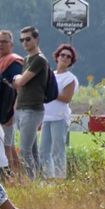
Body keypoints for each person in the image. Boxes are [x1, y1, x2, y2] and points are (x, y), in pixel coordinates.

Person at [11, 26, 52, 175]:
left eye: (28, 39)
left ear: (36, 39)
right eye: (22, 40)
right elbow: (21, 86)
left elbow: (21, 81)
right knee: (32, 150)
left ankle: (30, 181)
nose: (25, 42)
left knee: (24, 150)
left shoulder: (40, 59)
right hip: (22, 108)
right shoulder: (27, 59)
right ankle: (38, 180)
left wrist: (16, 78)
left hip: (32, 109)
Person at [40, 43, 79, 179]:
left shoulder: (70, 78)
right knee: (43, 150)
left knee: (58, 150)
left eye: (69, 56)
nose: (65, 58)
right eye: (63, 55)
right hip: (46, 117)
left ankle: (59, 179)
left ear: (71, 61)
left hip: (60, 118)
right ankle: (48, 178)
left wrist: (51, 91)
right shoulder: (50, 74)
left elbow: (66, 98)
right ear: (57, 57)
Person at [0, 29, 23, 168]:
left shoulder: (13, 62)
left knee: (6, 145)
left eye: (4, 41)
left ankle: (12, 176)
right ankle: (18, 175)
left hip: (7, 110)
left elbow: (18, 88)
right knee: (7, 144)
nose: (1, 44)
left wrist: (13, 111)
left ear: (11, 44)